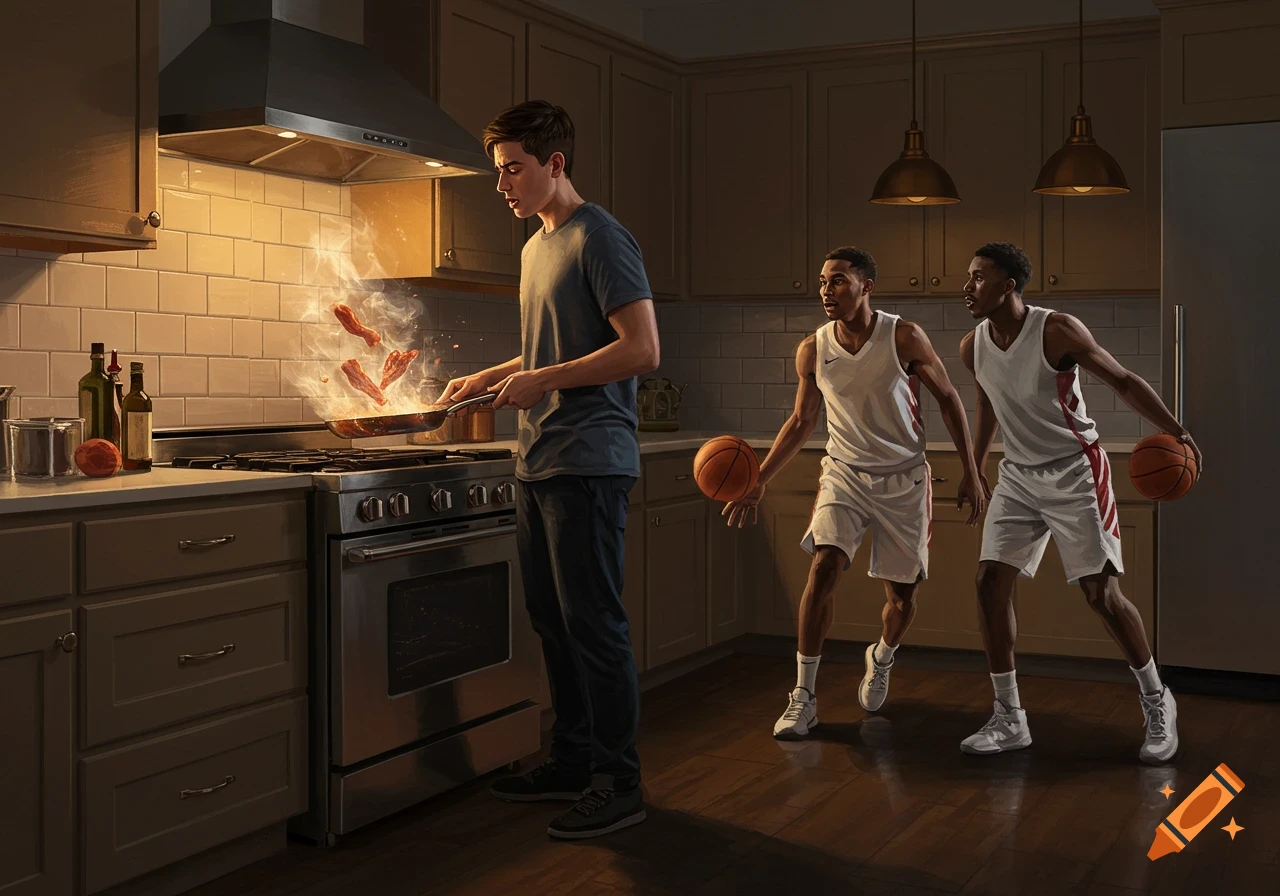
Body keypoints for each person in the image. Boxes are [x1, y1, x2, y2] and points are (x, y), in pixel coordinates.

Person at [437, 100, 659, 838]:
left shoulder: (603, 237)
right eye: (497, 171)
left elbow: (641, 350)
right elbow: (546, 354)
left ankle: (618, 779)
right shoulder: (537, 247)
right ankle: (570, 759)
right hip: (538, 460)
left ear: (554, 164)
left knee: (594, 625)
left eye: (512, 170)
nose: (501, 185)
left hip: (590, 462)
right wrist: (485, 377)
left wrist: (547, 379)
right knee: (552, 622)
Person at [723, 246, 986, 739]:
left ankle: (882, 656)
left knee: (902, 599)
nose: (827, 290)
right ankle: (803, 697)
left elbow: (949, 399)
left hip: (904, 479)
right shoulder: (812, 348)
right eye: (823, 281)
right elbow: (802, 421)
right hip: (843, 473)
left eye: (839, 280)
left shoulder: (903, 336)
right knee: (823, 567)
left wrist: (972, 470)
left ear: (867, 286)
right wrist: (759, 479)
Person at [957, 241, 1203, 764]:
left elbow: (1123, 381)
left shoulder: (1056, 330)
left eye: (979, 277)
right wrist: (974, 467)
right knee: (988, 583)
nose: (967, 286)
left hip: (1075, 470)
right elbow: (986, 405)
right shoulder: (971, 345)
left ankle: (1159, 702)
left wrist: (1176, 431)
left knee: (1101, 595)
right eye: (969, 275)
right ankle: (1009, 717)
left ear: (1010, 286)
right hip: (1018, 476)